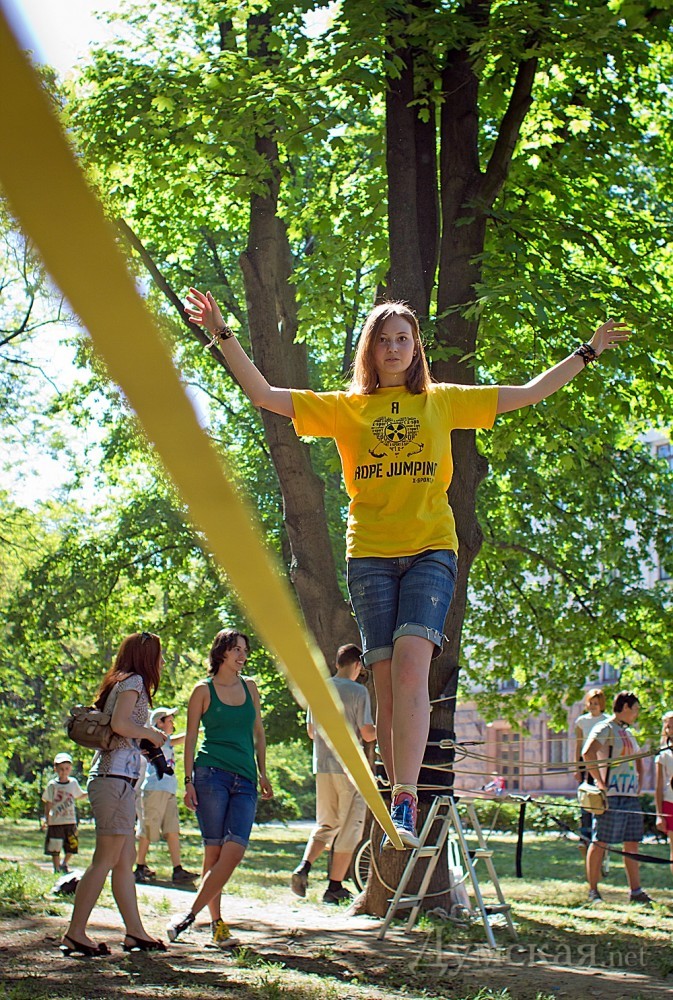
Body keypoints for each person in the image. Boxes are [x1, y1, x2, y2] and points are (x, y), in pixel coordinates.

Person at [185, 286, 630, 848]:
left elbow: (527, 393)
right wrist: (221, 332)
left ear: (416, 348)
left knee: (412, 668)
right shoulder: (346, 408)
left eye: (404, 339)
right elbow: (265, 394)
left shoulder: (442, 401)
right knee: (387, 684)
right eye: (384, 340)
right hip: (370, 557)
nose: (394, 348)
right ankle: (394, 789)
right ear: (370, 351)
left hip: (430, 551)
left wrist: (586, 352)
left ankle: (405, 796)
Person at [61, 631, 168, 956]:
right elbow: (121, 724)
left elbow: (122, 728)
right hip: (113, 779)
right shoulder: (134, 682)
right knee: (105, 860)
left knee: (124, 861)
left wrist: (147, 739)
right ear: (146, 656)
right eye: (159, 655)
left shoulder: (124, 683)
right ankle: (75, 933)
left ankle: (135, 932)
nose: (163, 662)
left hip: (118, 780)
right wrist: (151, 733)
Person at [166, 628, 273, 948]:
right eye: (237, 649)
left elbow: (258, 733)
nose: (243, 655)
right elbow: (191, 738)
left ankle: (188, 915)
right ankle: (217, 925)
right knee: (213, 852)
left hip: (246, 778)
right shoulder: (203, 690)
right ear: (221, 652)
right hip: (210, 775)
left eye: (245, 650)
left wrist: (263, 772)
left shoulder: (250, 686)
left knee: (235, 849)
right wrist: (187, 781)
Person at [291, 643, 376, 903]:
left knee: (326, 823)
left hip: (323, 765)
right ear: (357, 665)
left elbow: (311, 731)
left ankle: (303, 867)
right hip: (350, 769)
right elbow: (367, 733)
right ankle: (334, 887)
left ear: (337, 663)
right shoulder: (358, 691)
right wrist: (389, 727)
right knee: (351, 827)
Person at [582, 690, 652, 905]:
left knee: (632, 843)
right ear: (625, 707)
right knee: (600, 841)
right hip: (611, 796)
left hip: (629, 796)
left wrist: (640, 782)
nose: (637, 714)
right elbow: (587, 753)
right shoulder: (605, 728)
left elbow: (638, 758)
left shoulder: (628, 732)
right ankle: (593, 891)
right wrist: (599, 782)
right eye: (636, 709)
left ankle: (636, 891)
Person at [134, 707, 199, 885]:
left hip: (168, 789)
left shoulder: (167, 741)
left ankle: (178, 870)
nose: (173, 723)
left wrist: (199, 729)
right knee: (148, 829)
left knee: (172, 830)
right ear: (159, 723)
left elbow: (183, 738)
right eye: (169, 720)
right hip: (155, 789)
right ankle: (139, 868)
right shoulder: (153, 739)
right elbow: (181, 738)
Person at [572, 688, 609, 853]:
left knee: (600, 799)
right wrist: (577, 767)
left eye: (596, 703)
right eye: (591, 703)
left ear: (602, 705)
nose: (593, 706)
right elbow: (579, 745)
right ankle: (584, 836)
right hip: (586, 764)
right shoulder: (581, 721)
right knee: (586, 799)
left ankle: (600, 835)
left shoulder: (608, 721)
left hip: (602, 764)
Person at [42, 752, 87, 874]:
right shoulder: (52, 785)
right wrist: (47, 818)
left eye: (67, 768)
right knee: (55, 846)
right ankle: (56, 868)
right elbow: (48, 802)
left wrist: (90, 791)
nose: (64, 771)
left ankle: (64, 863)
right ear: (55, 769)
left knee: (72, 845)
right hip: (56, 821)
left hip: (70, 820)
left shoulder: (73, 783)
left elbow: (80, 795)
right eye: (61, 769)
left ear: (70, 769)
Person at [655, 711, 673, 876]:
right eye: (668, 727)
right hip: (670, 803)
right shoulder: (663, 754)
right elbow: (659, 786)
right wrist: (659, 815)